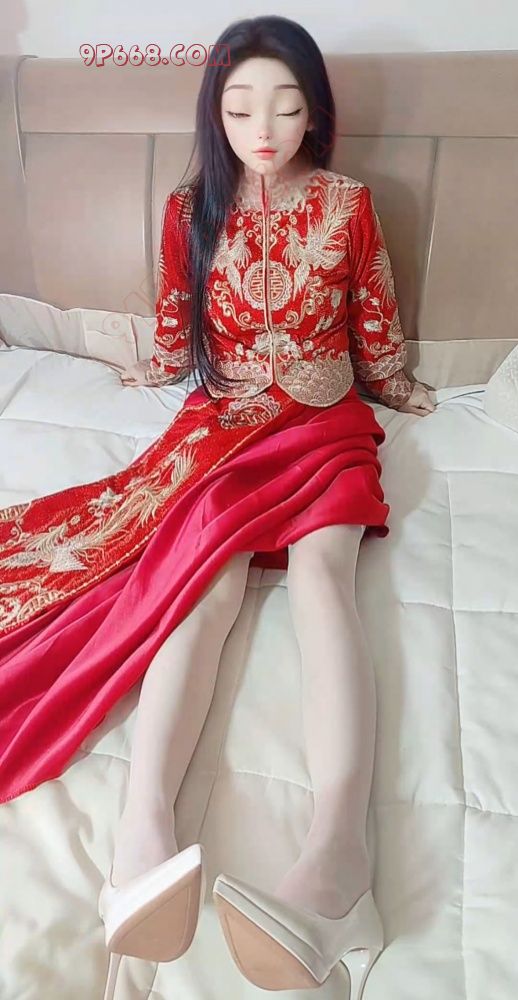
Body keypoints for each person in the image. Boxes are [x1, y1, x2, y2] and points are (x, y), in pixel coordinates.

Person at [0, 15, 435, 1000]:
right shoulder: (188, 206)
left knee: (325, 580)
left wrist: (398, 385)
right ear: (216, 114)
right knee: (204, 588)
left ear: (315, 112)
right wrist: (151, 368)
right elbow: (175, 317)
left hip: (325, 421)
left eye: (286, 106)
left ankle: (337, 854)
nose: (264, 129)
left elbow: (372, 312)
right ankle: (143, 834)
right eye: (240, 109)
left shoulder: (349, 203)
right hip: (223, 424)